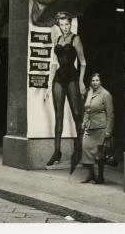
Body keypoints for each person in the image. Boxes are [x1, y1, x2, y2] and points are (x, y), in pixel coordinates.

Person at [44, 12, 86, 168]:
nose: (65, 27)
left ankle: (80, 151)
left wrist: (81, 82)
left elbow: (83, 63)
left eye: (67, 24)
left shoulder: (76, 39)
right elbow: (54, 63)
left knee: (76, 114)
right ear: (59, 26)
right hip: (59, 78)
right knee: (58, 115)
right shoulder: (58, 39)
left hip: (72, 78)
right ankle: (57, 152)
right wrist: (49, 85)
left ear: (70, 24)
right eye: (62, 25)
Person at [79, 73, 114, 184]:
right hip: (89, 127)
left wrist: (108, 130)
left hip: (100, 127)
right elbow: (87, 109)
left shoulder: (105, 94)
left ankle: (100, 176)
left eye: (97, 80)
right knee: (86, 149)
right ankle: (90, 175)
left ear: (100, 82)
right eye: (93, 80)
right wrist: (84, 122)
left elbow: (111, 114)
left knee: (99, 153)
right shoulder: (89, 93)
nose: (95, 82)